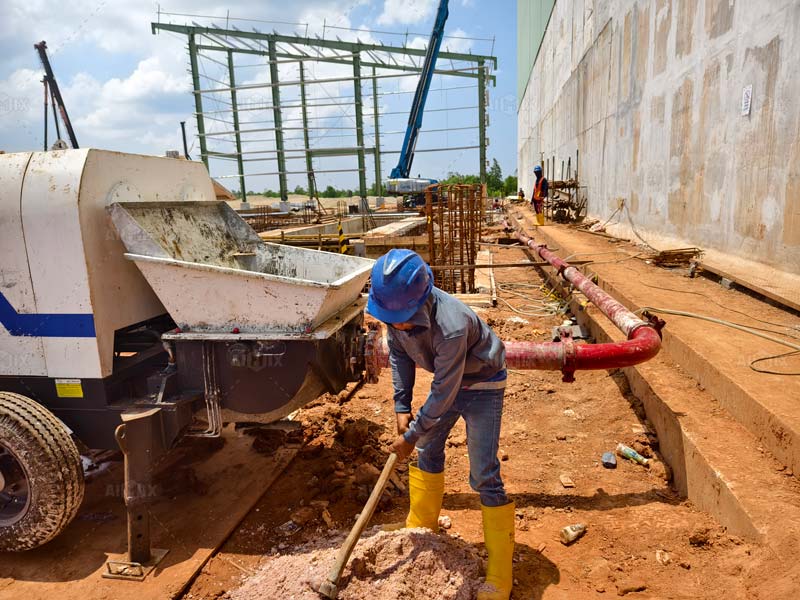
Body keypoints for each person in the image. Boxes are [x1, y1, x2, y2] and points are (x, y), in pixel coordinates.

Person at [367, 249, 514, 600]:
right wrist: (401, 405)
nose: (396, 323)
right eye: (391, 316)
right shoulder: (395, 312)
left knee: (483, 472)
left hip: (482, 384)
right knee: (427, 450)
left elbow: (443, 392)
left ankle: (500, 571)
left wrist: (412, 432)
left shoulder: (451, 325)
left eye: (400, 316)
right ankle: (421, 522)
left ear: (420, 300)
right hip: (450, 384)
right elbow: (400, 354)